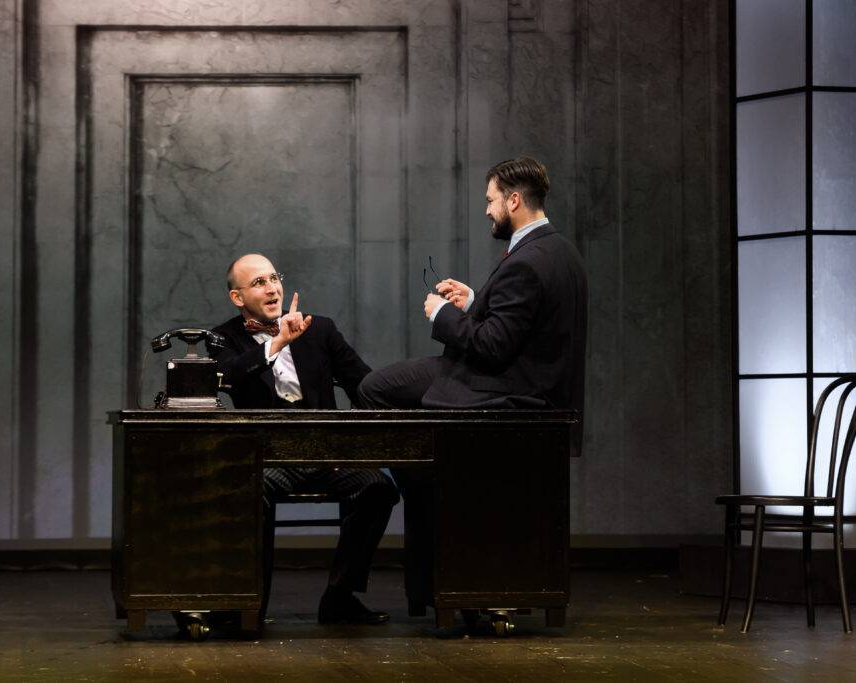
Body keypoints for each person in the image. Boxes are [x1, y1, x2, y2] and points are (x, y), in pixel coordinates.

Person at [356, 156, 588, 613]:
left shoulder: (528, 260)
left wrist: (443, 314)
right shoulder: (559, 251)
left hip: (507, 391)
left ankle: (422, 489)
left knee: (373, 389)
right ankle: (424, 487)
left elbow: (493, 347)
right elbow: (526, 322)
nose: (487, 210)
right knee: (385, 393)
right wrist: (475, 301)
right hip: (539, 387)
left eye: (491, 200)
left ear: (514, 200)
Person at [206, 253, 399, 628]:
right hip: (269, 458)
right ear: (237, 297)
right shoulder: (222, 337)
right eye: (258, 282)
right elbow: (228, 376)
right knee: (249, 491)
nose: (272, 288)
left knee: (378, 488)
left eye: (274, 278)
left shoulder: (320, 328)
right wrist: (277, 343)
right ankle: (250, 606)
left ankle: (340, 598)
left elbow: (365, 384)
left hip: (327, 455)